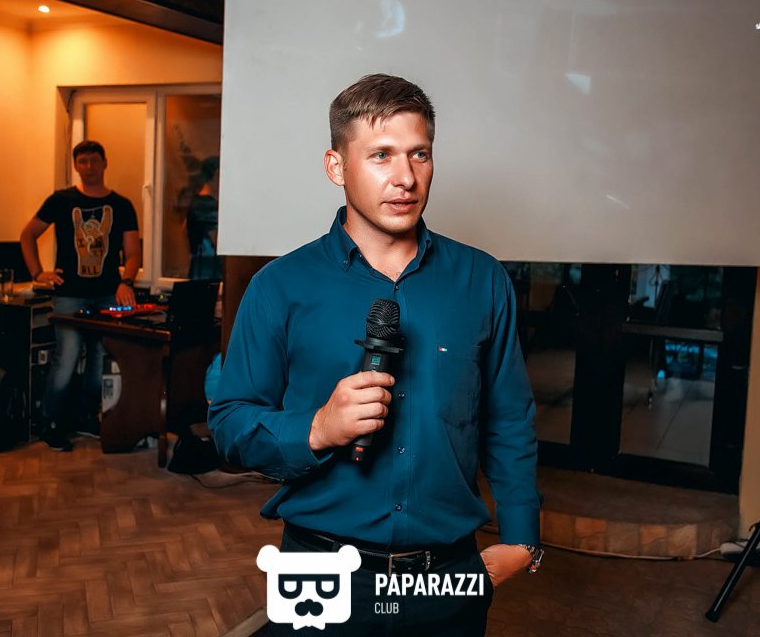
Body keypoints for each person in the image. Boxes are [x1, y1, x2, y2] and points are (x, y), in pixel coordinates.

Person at [208, 75, 542, 635]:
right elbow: (229, 424)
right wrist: (317, 428)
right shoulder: (279, 287)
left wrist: (522, 541)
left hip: (447, 576)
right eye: (381, 155)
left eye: (419, 154)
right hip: (319, 569)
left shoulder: (481, 280)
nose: (405, 177)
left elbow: (509, 420)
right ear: (336, 167)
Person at [20, 140, 140, 452]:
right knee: (68, 356)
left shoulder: (122, 205)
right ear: (76, 166)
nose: (89, 167)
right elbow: (28, 234)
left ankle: (88, 418)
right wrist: (38, 273)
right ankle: (51, 423)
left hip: (107, 295)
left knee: (101, 357)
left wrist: (126, 281)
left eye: (94, 160)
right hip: (69, 296)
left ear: (104, 163)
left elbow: (133, 252)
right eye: (82, 161)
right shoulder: (61, 200)